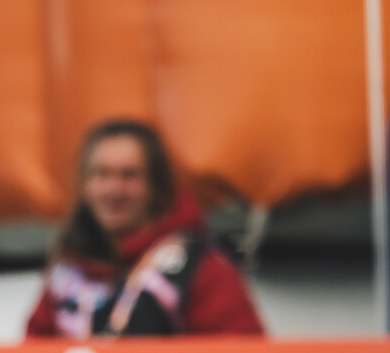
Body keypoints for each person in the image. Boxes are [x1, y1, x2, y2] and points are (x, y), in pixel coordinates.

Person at [26, 118, 266, 338]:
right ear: (84, 184)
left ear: (155, 186)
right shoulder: (68, 270)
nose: (114, 189)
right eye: (102, 174)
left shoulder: (200, 265)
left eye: (129, 175)